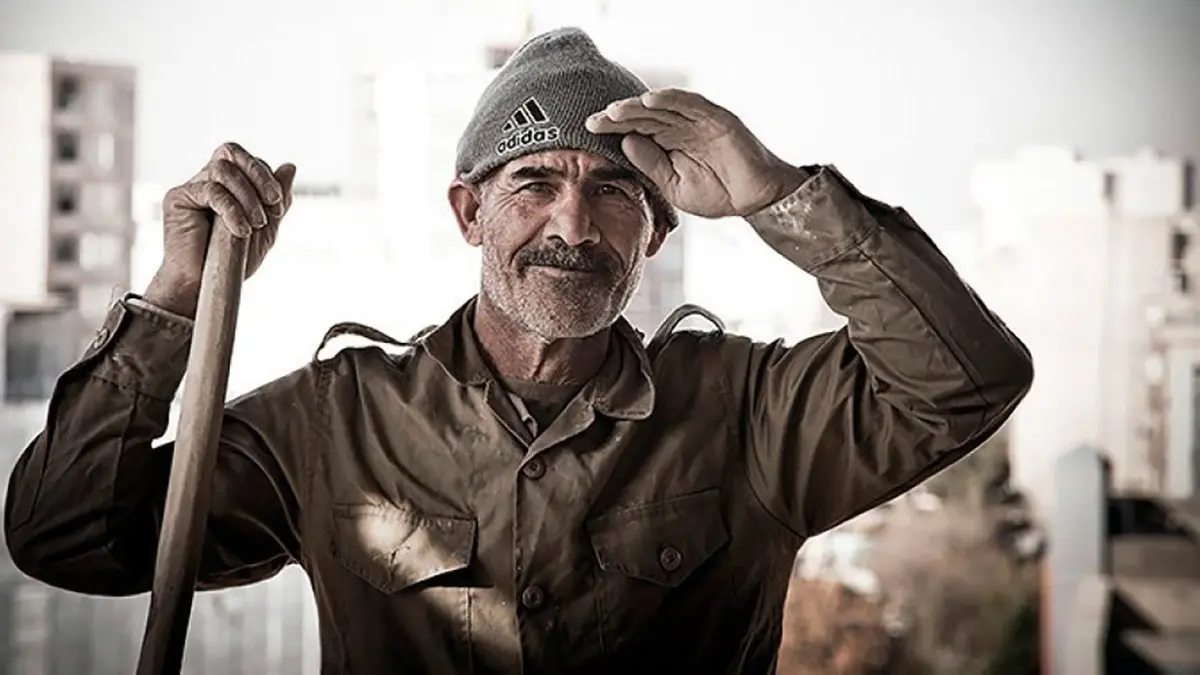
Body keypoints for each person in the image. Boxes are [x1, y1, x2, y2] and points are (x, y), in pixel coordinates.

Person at [4, 27, 1032, 675]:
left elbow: (965, 382)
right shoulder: (335, 418)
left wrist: (777, 193)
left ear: (656, 231)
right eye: (534, 183)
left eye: (615, 192)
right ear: (469, 212)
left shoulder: (747, 410)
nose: (573, 227)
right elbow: (66, 536)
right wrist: (177, 296)